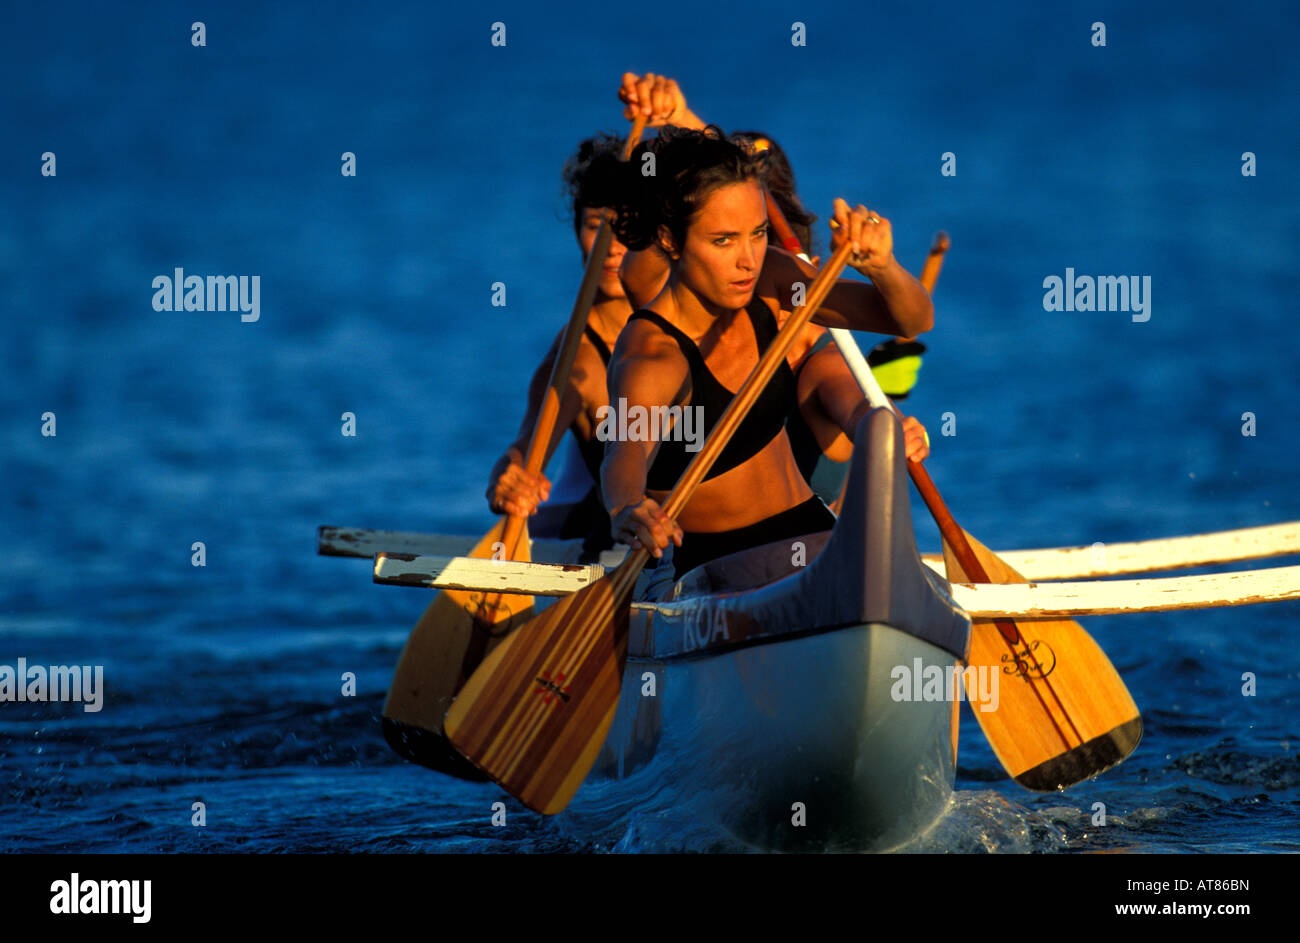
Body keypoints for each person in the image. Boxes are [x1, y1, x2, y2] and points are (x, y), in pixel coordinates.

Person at [603, 125, 934, 579]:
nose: (748, 259)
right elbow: (625, 450)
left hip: (811, 535)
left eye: (757, 233)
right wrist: (626, 506)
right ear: (670, 240)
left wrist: (883, 267)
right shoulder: (653, 353)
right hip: (708, 566)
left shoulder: (773, 281)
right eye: (723, 240)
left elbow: (910, 320)